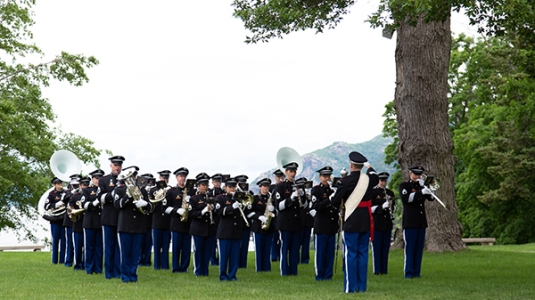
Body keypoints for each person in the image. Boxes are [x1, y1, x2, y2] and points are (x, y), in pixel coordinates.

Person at [330, 151, 378, 293]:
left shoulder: (344, 182)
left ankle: (350, 288)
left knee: (350, 254)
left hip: (350, 221)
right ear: (361, 166)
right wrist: (368, 166)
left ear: (351, 165)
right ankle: (362, 287)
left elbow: (334, 202)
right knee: (363, 254)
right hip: (365, 221)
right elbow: (375, 174)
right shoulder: (369, 179)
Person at [114, 166, 153, 283]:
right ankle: (125, 276)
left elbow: (150, 208)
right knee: (125, 254)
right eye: (130, 176)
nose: (132, 178)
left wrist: (145, 203)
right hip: (125, 226)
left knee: (135, 253)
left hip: (139, 226)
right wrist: (128, 196)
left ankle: (133, 275)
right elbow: (117, 205)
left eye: (134, 176)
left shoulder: (143, 190)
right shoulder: (119, 190)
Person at [399, 166, 434, 279]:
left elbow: (431, 199)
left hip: (420, 222)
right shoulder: (405, 186)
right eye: (416, 174)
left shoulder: (422, 186)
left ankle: (416, 272)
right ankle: (408, 273)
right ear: (410, 174)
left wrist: (428, 189)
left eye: (419, 174)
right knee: (410, 248)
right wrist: (420, 192)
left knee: (419, 249)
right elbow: (406, 199)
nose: (418, 176)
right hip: (410, 222)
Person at [273, 162, 307, 276]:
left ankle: (293, 271)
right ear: (286, 172)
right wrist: (291, 199)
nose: (293, 174)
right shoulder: (280, 187)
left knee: (294, 249)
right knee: (284, 248)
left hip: (296, 222)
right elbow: (279, 206)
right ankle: (284, 271)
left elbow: (305, 206)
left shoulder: (298, 186)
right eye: (290, 171)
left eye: (294, 172)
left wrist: (302, 195)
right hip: (285, 223)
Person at [215, 177, 247, 281]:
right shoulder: (220, 198)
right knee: (224, 256)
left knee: (234, 256)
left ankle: (232, 275)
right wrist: (232, 207)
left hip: (236, 230)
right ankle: (223, 275)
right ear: (225, 187)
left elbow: (244, 212)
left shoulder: (239, 198)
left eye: (234, 187)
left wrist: (245, 205)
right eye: (230, 187)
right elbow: (220, 212)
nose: (232, 189)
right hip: (225, 231)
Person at [98, 155, 124, 279]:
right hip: (108, 217)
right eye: (115, 165)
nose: (117, 168)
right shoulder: (104, 180)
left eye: (119, 165)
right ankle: (108, 273)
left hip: (121, 218)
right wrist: (113, 193)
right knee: (108, 246)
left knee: (119, 247)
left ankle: (118, 272)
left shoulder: (125, 180)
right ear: (111, 165)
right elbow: (100, 198)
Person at [311, 166, 339, 281]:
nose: (327, 178)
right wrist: (329, 200)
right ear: (320, 177)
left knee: (330, 253)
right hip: (321, 225)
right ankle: (319, 274)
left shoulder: (333, 189)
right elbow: (316, 206)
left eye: (329, 176)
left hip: (332, 225)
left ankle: (328, 275)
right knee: (320, 252)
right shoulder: (316, 190)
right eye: (325, 176)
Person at [163, 167, 193, 273]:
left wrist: (190, 206)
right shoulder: (171, 192)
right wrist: (177, 211)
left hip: (187, 224)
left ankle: (184, 267)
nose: (182, 178)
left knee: (186, 248)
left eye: (184, 176)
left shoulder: (191, 191)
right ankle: (176, 268)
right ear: (176, 178)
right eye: (180, 176)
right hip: (176, 223)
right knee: (176, 247)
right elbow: (165, 208)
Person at [189, 172, 217, 276]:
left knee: (207, 251)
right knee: (198, 251)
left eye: (207, 185)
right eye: (203, 185)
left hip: (209, 228)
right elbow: (191, 213)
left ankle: (205, 271)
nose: (206, 187)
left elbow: (216, 214)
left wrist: (213, 209)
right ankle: (198, 271)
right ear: (198, 186)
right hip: (198, 229)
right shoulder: (194, 199)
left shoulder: (211, 198)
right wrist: (203, 212)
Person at [371, 172, 396, 275]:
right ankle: (377, 270)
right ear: (378, 181)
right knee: (377, 248)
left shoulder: (390, 193)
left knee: (385, 248)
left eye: (385, 181)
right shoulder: (373, 192)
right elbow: (371, 209)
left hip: (387, 223)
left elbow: (394, 207)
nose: (383, 183)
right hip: (377, 223)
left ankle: (384, 270)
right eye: (382, 181)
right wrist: (382, 207)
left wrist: (392, 207)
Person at [250, 178, 276, 272]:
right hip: (258, 227)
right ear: (260, 187)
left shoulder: (272, 199)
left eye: (267, 186)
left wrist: (274, 210)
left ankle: (267, 268)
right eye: (264, 186)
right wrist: (259, 217)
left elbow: (277, 213)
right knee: (259, 250)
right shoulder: (255, 199)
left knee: (267, 249)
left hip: (269, 227)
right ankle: (259, 269)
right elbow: (249, 213)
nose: (266, 188)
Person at [82, 169, 105, 274]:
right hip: (90, 222)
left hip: (101, 222)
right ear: (92, 179)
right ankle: (89, 268)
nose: (98, 180)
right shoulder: (87, 190)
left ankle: (98, 268)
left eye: (100, 178)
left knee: (99, 247)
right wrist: (94, 203)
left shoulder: (104, 190)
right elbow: (83, 205)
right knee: (89, 247)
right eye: (96, 178)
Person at [151, 170, 172, 270]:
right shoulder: (153, 190)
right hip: (157, 221)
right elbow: (151, 205)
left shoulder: (170, 190)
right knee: (156, 246)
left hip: (167, 222)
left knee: (166, 245)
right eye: (163, 178)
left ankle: (165, 265)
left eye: (166, 178)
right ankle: (156, 265)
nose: (165, 180)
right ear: (159, 178)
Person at [44, 177, 68, 264]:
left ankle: (62, 260)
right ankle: (54, 260)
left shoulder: (65, 193)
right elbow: (46, 206)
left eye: (61, 183)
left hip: (63, 219)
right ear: (55, 185)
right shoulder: (51, 194)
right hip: (55, 220)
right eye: (58, 184)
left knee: (64, 241)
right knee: (55, 241)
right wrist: (56, 204)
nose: (60, 185)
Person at [69, 177, 89, 271]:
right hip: (78, 224)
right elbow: (70, 209)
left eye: (87, 185)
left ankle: (85, 264)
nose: (85, 187)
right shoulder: (75, 196)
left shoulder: (90, 194)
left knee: (87, 246)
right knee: (77, 247)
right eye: (83, 185)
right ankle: (77, 265)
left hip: (88, 223)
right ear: (80, 185)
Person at [234, 174, 251, 269]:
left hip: (246, 223)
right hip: (237, 223)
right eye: (241, 182)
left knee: (245, 245)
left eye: (244, 182)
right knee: (236, 245)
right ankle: (235, 263)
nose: (243, 184)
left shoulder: (249, 193)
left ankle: (243, 264)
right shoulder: (235, 194)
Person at [139, 173, 155, 267]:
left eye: (150, 181)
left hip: (149, 221)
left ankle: (147, 260)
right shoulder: (141, 191)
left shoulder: (153, 191)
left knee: (148, 243)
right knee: (140, 243)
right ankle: (140, 260)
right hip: (141, 220)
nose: (148, 183)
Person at [208, 173, 224, 266]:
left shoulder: (223, 192)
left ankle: (220, 258)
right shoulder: (210, 193)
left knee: (220, 241)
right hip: (213, 219)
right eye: (216, 181)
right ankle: (213, 260)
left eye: (219, 181)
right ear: (212, 182)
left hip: (221, 219)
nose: (218, 183)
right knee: (212, 242)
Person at [269, 169, 285, 262]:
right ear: (275, 177)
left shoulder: (285, 186)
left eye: (281, 176)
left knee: (281, 238)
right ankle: (274, 256)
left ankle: (280, 255)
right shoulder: (272, 188)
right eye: (278, 177)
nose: (280, 178)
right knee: (274, 237)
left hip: (282, 215)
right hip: (274, 215)